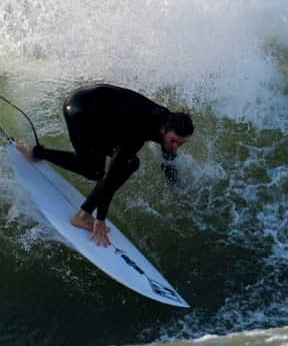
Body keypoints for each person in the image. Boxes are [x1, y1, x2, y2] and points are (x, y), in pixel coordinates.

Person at [16, 84, 194, 247]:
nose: (174, 146)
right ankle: (82, 216)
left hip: (100, 111)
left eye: (180, 143)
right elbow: (111, 176)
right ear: (163, 130)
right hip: (81, 111)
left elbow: (168, 159)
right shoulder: (139, 131)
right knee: (98, 169)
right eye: (173, 141)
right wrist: (100, 218)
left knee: (124, 163)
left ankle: (36, 153)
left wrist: (178, 189)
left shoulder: (170, 124)